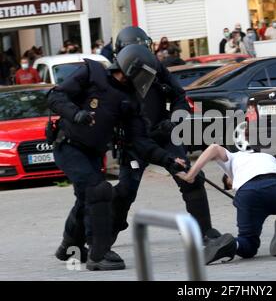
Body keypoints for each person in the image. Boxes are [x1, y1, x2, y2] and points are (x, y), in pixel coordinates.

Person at [48, 44, 187, 271]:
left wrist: (169, 160)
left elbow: (140, 141)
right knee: (99, 190)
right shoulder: (91, 73)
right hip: (68, 146)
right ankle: (98, 253)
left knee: (87, 197)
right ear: (129, 68)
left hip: (93, 154)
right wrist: (76, 114)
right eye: (143, 75)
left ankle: (69, 244)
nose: (145, 82)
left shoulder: (129, 100)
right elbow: (55, 96)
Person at [111, 26, 221, 244]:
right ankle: (104, 238)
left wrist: (175, 121)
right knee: (126, 190)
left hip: (164, 134)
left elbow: (180, 95)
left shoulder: (157, 67)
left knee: (190, 177)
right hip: (135, 143)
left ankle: (203, 230)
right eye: (139, 52)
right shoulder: (114, 77)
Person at [176, 144, 276, 265]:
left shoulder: (232, 157)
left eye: (229, 184)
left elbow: (213, 147)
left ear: (227, 177)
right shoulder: (270, 159)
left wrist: (190, 175)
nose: (231, 186)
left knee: (248, 244)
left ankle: (232, 244)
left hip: (247, 194)